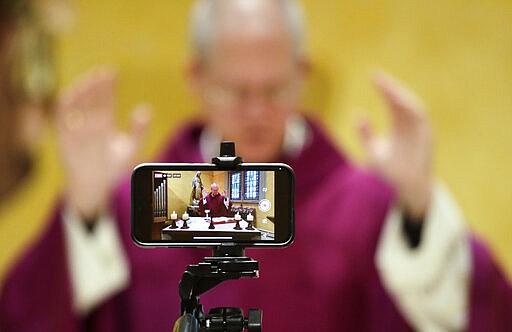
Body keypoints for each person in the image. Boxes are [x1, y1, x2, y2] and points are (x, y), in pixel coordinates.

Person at [1, 0, 511, 331]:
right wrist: (84, 210)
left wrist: (419, 203)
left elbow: (481, 314)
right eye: (236, 91)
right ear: (195, 78)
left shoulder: (364, 205)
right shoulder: (145, 205)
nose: (256, 112)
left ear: (303, 73)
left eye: (275, 89)